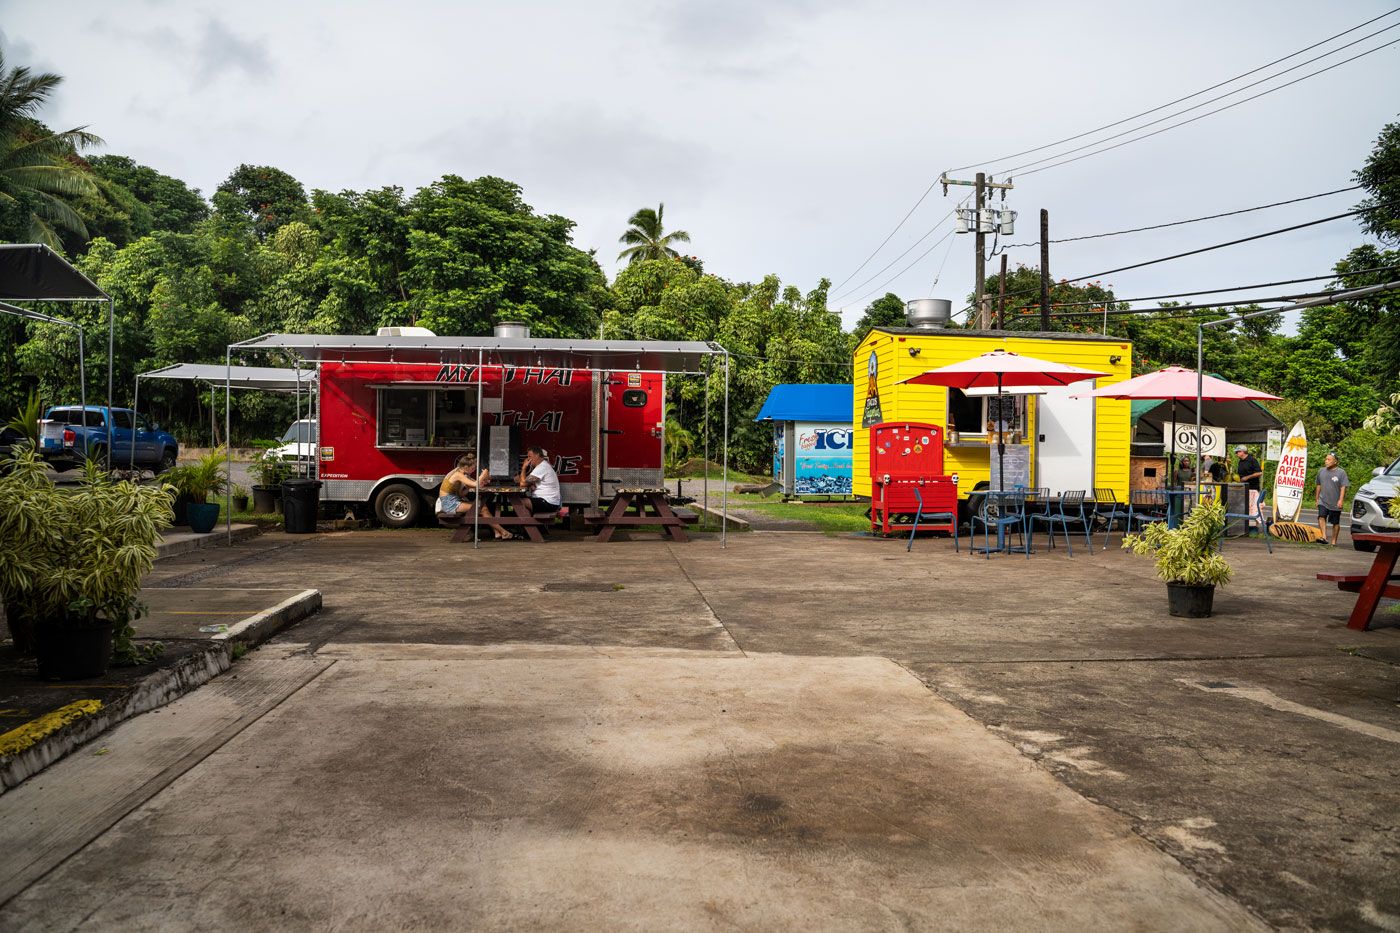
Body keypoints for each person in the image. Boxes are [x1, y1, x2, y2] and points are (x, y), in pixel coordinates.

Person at [438, 452, 511, 540]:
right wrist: (482, 475)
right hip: (449, 504)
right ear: (465, 467)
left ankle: (497, 532)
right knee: (482, 508)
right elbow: (476, 484)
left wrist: (468, 487)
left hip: (453, 501)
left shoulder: (459, 474)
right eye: (472, 468)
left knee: (482, 508)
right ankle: (503, 532)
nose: (473, 470)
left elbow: (460, 494)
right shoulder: (457, 475)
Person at [1314, 452, 1350, 546]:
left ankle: (1334, 541)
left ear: (1335, 462)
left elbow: (1343, 487)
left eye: (1329, 459)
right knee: (1321, 516)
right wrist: (1317, 498)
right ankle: (1324, 537)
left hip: (1335, 502)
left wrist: (1341, 500)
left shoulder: (1341, 473)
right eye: (1326, 459)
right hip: (1323, 499)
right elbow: (1318, 485)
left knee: (1335, 522)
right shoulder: (1321, 471)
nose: (1326, 461)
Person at [518, 445, 562, 517]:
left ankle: (527, 526)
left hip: (548, 502)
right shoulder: (542, 466)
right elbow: (525, 481)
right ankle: (528, 527)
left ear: (537, 455)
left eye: (529, 456)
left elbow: (522, 483)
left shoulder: (542, 467)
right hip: (547, 501)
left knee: (518, 503)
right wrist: (530, 484)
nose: (528, 459)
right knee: (522, 504)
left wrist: (523, 467)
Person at [1234, 444, 1264, 535]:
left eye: (1237, 452)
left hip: (1252, 488)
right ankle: (1243, 526)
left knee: (1255, 507)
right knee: (1244, 508)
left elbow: (1259, 472)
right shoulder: (1240, 462)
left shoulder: (1252, 460)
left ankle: (1259, 527)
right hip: (1243, 488)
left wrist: (1247, 477)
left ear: (1242, 452)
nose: (1236, 454)